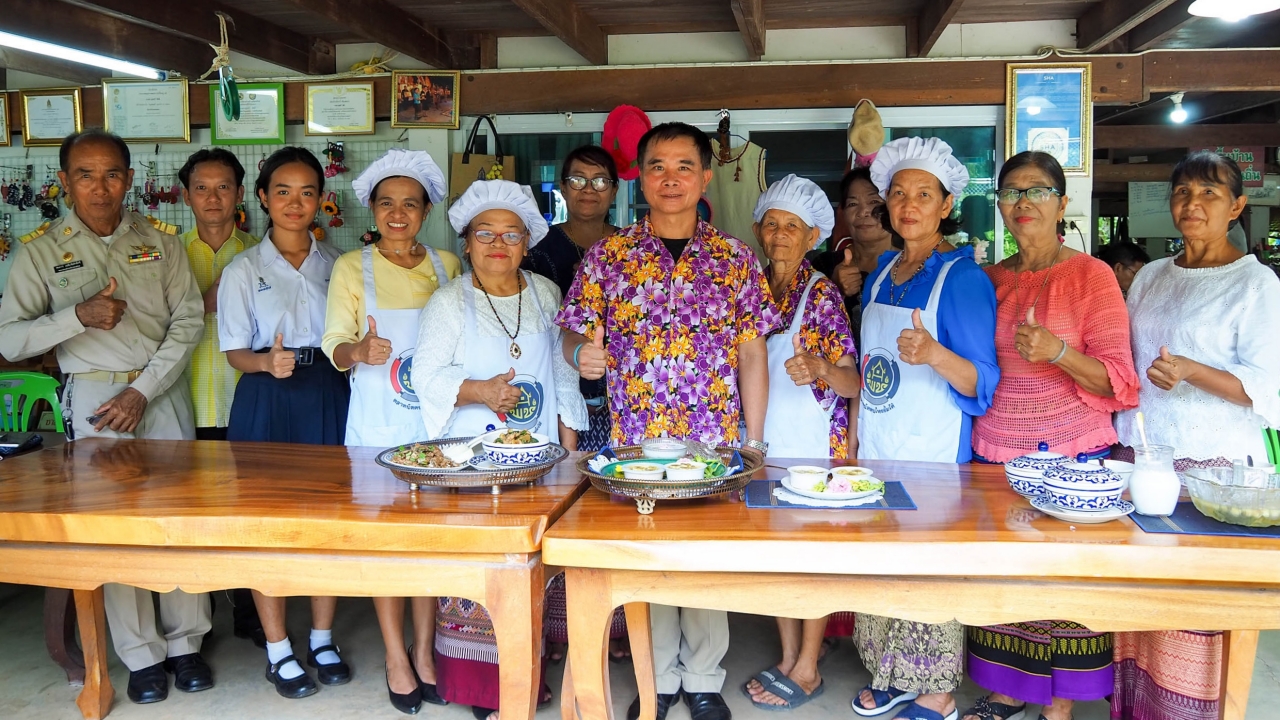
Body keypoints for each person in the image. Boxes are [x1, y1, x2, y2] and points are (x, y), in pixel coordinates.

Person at [559, 122, 778, 720]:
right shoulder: (609, 256)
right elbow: (574, 330)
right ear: (641, 176)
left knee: (703, 561)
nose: (671, 178)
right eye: (658, 166)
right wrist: (581, 352)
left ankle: (704, 678)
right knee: (647, 563)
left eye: (685, 166)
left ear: (705, 176)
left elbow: (753, 352)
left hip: (713, 441)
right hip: (638, 445)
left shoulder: (735, 258)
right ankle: (656, 684)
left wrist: (753, 441)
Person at [0, 128, 212, 704]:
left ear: (130, 178)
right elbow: (11, 338)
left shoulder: (161, 242)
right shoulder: (38, 251)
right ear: (64, 181)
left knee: (175, 522)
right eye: (86, 175)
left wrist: (143, 390)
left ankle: (187, 643)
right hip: (94, 401)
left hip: (159, 392)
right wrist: (77, 316)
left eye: (112, 173)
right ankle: (141, 655)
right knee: (115, 529)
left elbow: (188, 322)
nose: (100, 187)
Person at [963, 151, 1141, 720]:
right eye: (1012, 192)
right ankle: (1008, 689)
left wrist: (1058, 352)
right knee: (1004, 577)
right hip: (995, 452)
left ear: (1062, 204)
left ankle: (1059, 704)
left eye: (1037, 191)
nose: (1022, 203)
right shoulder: (989, 279)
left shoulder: (1092, 277)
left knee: (1062, 583)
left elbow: (1119, 380)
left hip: (1073, 454)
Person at [1111, 152, 1280, 720]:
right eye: (1182, 192)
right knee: (1140, 602)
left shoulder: (1257, 283)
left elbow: (1268, 388)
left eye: (1209, 194)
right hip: (1148, 455)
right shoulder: (1154, 275)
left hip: (1214, 471)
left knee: (1193, 605)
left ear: (1236, 206)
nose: (1192, 204)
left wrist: (1191, 371)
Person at [411, 179, 587, 720]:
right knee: (484, 570)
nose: (497, 244)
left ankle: (527, 673)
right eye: (484, 233)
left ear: (527, 243)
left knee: (532, 567)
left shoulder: (544, 292)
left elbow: (562, 375)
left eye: (510, 234)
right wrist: (482, 392)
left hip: (536, 457)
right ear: (466, 242)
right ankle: (482, 687)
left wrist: (570, 450)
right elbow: (425, 376)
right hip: (471, 459)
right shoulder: (448, 300)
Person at [852, 136, 999, 720]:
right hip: (881, 441)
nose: (908, 204)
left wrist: (936, 354)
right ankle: (892, 677)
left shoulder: (962, 278)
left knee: (925, 568)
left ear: (946, 205)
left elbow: (982, 382)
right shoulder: (885, 268)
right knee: (883, 565)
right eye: (898, 193)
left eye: (923, 194)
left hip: (933, 450)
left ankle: (936, 692)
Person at [323, 148, 461, 714]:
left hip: (436, 427)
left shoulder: (450, 265)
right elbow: (333, 347)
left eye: (410, 203)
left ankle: (425, 652)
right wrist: (360, 349)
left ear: (426, 210)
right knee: (386, 546)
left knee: (430, 545)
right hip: (378, 424)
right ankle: (395, 658)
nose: (398, 214)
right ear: (372, 211)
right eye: (387, 204)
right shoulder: (351, 268)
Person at [218, 146, 350, 700]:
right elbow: (232, 352)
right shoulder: (244, 269)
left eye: (306, 192)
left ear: (322, 199)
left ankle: (321, 637)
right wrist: (265, 361)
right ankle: (277, 649)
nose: (295, 203)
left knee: (328, 519)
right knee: (263, 522)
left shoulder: (339, 263)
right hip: (265, 396)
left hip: (326, 392)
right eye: (282, 192)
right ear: (264, 199)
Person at [742, 174, 859, 711]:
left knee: (809, 557)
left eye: (793, 226)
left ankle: (809, 665)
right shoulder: (749, 288)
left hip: (814, 446)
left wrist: (819, 366)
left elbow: (853, 382)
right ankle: (788, 654)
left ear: (812, 235)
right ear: (758, 231)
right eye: (773, 225)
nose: (781, 235)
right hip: (764, 442)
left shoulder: (823, 294)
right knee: (772, 558)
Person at [521, 144, 628, 662]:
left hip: (623, 394)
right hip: (555, 390)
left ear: (615, 190)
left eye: (600, 180)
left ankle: (619, 628)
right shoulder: (537, 246)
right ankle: (563, 631)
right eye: (578, 179)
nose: (589, 189)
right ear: (561, 187)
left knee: (619, 506)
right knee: (565, 508)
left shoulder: (631, 247)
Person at [177, 147, 268, 648]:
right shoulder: (165, 255)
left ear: (240, 194)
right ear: (186, 194)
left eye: (224, 187)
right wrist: (201, 302)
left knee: (247, 510)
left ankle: (252, 610)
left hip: (245, 402)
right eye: (202, 187)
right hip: (185, 400)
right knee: (194, 514)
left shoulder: (261, 252)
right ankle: (196, 617)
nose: (213, 197)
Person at [813, 166, 897, 340]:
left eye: (874, 202)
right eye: (852, 204)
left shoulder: (912, 266)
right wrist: (832, 288)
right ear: (843, 213)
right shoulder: (824, 266)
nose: (863, 212)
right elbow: (805, 326)